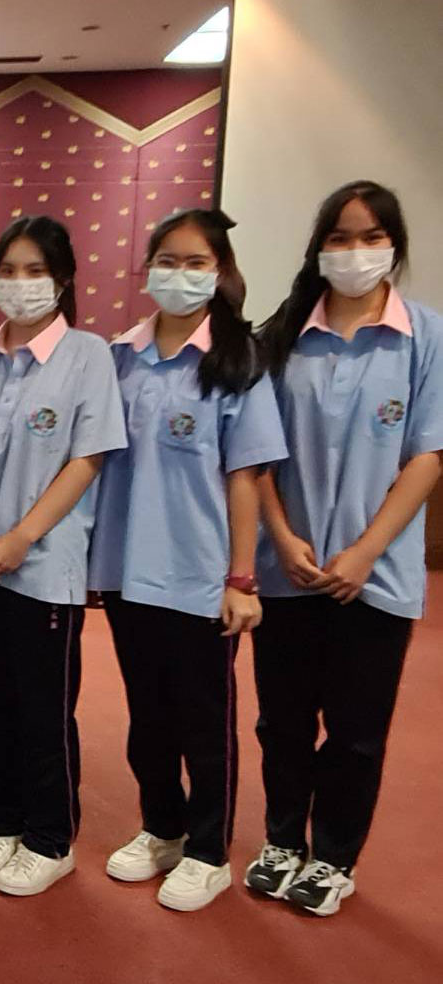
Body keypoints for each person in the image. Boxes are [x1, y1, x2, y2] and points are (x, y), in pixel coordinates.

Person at [244, 180, 442, 916]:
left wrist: (363, 553)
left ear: (393, 247)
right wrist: (282, 535)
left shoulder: (424, 338)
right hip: (287, 569)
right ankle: (281, 841)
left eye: (370, 238)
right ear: (318, 248)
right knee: (282, 723)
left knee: (355, 733)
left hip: (375, 575)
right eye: (339, 238)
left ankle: (332, 856)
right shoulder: (282, 336)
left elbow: (427, 455)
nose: (354, 252)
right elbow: (256, 453)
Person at [89, 209, 287, 910]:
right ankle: (162, 828)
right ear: (147, 269)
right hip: (125, 569)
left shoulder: (236, 362)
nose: (179, 273)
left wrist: (241, 577)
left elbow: (246, 475)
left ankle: (208, 851)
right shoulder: (119, 356)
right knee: (147, 717)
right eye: (166, 260)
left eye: (195, 261)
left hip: (200, 577)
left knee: (203, 722)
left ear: (220, 271)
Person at [0, 215, 127, 895]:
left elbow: (87, 459)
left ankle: (50, 839)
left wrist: (23, 536)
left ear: (62, 280)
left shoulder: (87, 355)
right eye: (8, 271)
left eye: (35, 271)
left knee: (42, 708)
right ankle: (1, 822)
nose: (19, 285)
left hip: (44, 566)